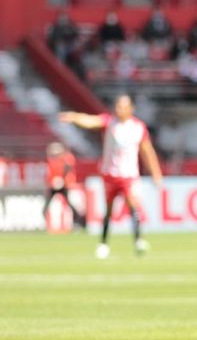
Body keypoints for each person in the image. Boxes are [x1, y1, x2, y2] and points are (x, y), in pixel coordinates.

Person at [59, 94, 163, 259]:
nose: (119, 109)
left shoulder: (138, 127)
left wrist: (156, 173)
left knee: (133, 206)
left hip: (129, 175)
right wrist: (74, 117)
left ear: (131, 109)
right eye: (117, 106)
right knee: (108, 211)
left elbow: (147, 152)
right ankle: (103, 243)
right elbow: (90, 120)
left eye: (123, 106)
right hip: (110, 174)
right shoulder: (110, 122)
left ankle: (138, 241)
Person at [41, 142, 85, 228]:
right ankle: (44, 223)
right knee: (47, 204)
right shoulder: (51, 159)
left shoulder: (67, 157)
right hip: (53, 185)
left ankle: (79, 222)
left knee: (70, 204)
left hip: (65, 184)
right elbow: (50, 172)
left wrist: (61, 179)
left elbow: (67, 168)